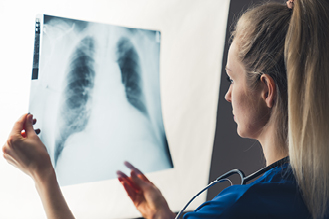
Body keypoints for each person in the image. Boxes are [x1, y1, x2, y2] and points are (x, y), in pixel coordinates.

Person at [2, 0, 329, 218]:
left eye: (232, 79)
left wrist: (43, 176)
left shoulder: (241, 205)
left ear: (267, 90)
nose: (228, 95)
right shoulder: (311, 187)